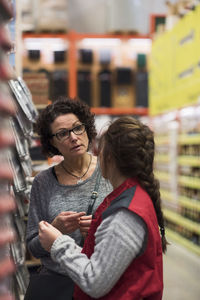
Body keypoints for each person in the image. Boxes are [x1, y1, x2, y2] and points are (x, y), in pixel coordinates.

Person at [38, 116, 168, 300]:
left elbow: (94, 281)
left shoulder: (126, 213)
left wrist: (57, 243)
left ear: (108, 157)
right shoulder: (132, 196)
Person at [24, 97, 112, 300]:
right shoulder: (43, 182)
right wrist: (54, 230)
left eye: (78, 128)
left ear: (87, 128)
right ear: (52, 142)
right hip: (57, 286)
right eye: (63, 133)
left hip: (101, 283)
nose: (74, 137)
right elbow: (34, 248)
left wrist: (101, 229)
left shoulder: (110, 170)